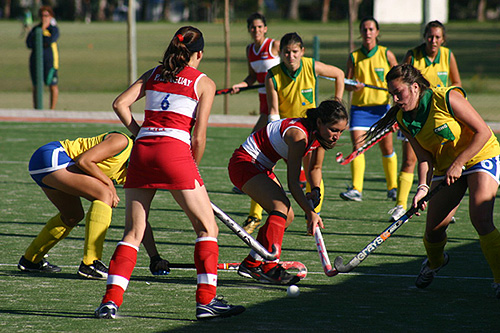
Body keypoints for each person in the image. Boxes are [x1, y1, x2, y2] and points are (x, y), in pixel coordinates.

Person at [94, 26, 245, 321]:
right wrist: (192, 169)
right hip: (175, 153)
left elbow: (119, 104)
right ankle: (206, 301)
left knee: (133, 233)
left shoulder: (153, 73)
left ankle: (110, 302)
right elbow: (198, 138)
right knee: (207, 229)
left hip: (143, 151)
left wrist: (141, 134)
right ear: (199, 54)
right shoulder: (204, 82)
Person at [368, 63, 500, 298]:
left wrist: (459, 163)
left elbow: (484, 132)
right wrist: (422, 188)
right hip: (445, 166)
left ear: (415, 87)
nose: (396, 99)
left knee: (480, 218)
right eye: (393, 94)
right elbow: (424, 158)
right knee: (434, 232)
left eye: (400, 92)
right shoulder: (403, 117)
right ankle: (434, 263)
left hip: (480, 155)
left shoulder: (446, 98)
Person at [17, 131, 170, 280]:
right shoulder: (122, 142)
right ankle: (90, 263)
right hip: (52, 156)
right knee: (105, 195)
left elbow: (138, 219)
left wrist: (154, 257)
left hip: (45, 167)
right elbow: (84, 161)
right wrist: (109, 184)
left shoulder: (136, 173)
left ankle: (31, 259)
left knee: (72, 216)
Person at [229, 99, 348, 285]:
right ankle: (270, 266)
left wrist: (315, 190)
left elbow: (315, 169)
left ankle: (252, 263)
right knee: (280, 207)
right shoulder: (298, 137)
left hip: (262, 166)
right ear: (319, 122)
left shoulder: (318, 136)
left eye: (341, 131)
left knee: (288, 216)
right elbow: (293, 183)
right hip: (245, 164)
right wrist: (311, 213)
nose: (337, 136)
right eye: (334, 129)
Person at [266, 32, 345, 232]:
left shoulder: (311, 66)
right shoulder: (273, 75)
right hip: (287, 134)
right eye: (286, 52)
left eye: (294, 52)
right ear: (280, 53)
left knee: (314, 170)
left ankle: (314, 215)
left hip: (311, 130)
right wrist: (274, 133)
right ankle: (255, 215)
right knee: (269, 170)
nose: (290, 57)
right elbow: (273, 110)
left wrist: (337, 103)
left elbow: (339, 75)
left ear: (302, 52)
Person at [389, 20, 462, 221]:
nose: (433, 40)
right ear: (424, 37)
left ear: (443, 39)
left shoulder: (448, 56)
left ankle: (447, 205)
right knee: (409, 160)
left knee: (446, 157)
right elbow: (402, 80)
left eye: (438, 37)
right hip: (414, 115)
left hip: (438, 115)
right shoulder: (413, 55)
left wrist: (440, 93)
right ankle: (400, 205)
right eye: (430, 36)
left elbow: (456, 83)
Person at [230, 12, 281, 234]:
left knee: (263, 156)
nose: (256, 30)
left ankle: (310, 209)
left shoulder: (276, 46)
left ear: (266, 28)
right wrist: (240, 85)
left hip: (280, 105)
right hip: (264, 105)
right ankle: (255, 214)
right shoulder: (250, 50)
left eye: (260, 27)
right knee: (255, 154)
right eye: (253, 27)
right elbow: (252, 77)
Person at [339, 17, 398, 202]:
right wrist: (352, 87)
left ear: (377, 32)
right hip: (360, 110)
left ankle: (393, 187)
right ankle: (356, 189)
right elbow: (346, 83)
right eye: (364, 29)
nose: (367, 33)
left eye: (371, 29)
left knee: (386, 148)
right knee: (358, 148)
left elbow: (399, 79)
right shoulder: (354, 57)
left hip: (382, 110)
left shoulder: (386, 54)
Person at [26, 5, 59, 110]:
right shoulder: (36, 29)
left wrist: (42, 32)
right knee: (36, 86)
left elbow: (50, 41)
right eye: (42, 15)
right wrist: (40, 32)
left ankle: (52, 110)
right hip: (35, 61)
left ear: (51, 17)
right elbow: (29, 43)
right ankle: (37, 109)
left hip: (50, 61)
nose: (44, 18)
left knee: (52, 85)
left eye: (46, 15)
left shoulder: (53, 29)